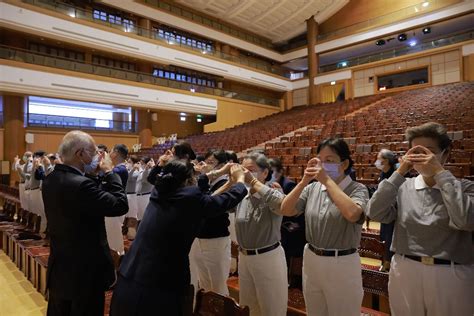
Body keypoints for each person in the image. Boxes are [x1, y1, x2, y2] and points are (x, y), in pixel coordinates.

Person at [110, 159, 248, 316]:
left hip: (132, 273)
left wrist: (217, 173)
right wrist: (240, 180)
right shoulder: (189, 198)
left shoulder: (160, 191)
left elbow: (201, 197)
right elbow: (221, 202)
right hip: (160, 282)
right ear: (188, 180)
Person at [367, 122, 474, 316]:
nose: (422, 157)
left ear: (446, 153)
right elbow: (374, 212)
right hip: (406, 269)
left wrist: (440, 174)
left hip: (451, 273)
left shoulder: (464, 187)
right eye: (416, 151)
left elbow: (464, 220)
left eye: (430, 151)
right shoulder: (401, 186)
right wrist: (400, 171)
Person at [42, 130, 128, 316]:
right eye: (94, 151)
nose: (98, 157)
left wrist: (94, 176)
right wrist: (109, 172)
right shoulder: (81, 186)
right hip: (85, 273)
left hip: (60, 267)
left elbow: (82, 198)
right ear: (80, 154)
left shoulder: (51, 179)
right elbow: (120, 205)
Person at [280, 138, 369, 316]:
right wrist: (304, 180)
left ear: (344, 164)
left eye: (329, 160)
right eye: (320, 160)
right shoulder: (313, 188)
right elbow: (286, 209)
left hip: (341, 262)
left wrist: (327, 181)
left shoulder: (357, 188)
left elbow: (353, 214)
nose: (323, 165)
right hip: (312, 258)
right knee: (315, 311)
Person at [231, 152, 287, 316]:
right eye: (244, 170)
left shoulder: (273, 193)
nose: (246, 174)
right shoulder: (242, 195)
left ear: (264, 173)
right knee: (249, 307)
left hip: (267, 257)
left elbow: (281, 204)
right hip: (245, 257)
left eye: (251, 170)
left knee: (272, 308)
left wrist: (254, 183)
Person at [192, 149, 233, 295]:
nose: (206, 166)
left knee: (218, 286)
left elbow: (208, 205)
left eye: (211, 163)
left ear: (222, 165)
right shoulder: (204, 182)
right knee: (204, 283)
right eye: (206, 162)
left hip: (216, 239)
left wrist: (204, 177)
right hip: (200, 238)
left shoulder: (226, 183)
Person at [268, 158, 304, 274]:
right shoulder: (266, 185)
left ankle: (287, 275)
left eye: (272, 172)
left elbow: (295, 212)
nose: (269, 175)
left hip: (291, 227)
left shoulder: (289, 185)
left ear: (280, 172)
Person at [374, 149, 398, 268]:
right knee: (385, 236)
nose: (377, 161)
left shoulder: (396, 173)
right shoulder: (383, 173)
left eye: (379, 159)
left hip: (394, 211)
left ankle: (388, 262)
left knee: (390, 236)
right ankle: (385, 261)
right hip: (384, 209)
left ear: (387, 161)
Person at [105, 144, 129, 255]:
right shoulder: (118, 168)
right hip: (115, 203)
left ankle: (117, 265)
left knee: (113, 240)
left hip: (114, 204)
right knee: (113, 236)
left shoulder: (119, 169)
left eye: (111, 151)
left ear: (116, 153)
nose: (109, 153)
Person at [124, 155, 140, 240]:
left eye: (130, 162)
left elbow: (129, 178)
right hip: (126, 194)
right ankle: (125, 233)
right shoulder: (128, 170)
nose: (128, 163)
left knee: (132, 215)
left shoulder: (137, 172)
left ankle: (132, 234)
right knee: (125, 214)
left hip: (133, 195)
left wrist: (134, 169)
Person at [135, 157, 154, 222]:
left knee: (144, 218)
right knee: (139, 218)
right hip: (139, 196)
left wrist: (144, 169)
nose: (140, 164)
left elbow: (144, 180)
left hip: (145, 196)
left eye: (142, 163)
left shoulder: (149, 171)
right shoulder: (141, 171)